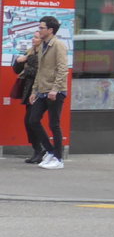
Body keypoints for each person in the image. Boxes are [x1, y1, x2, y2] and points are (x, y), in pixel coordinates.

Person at [29, 16, 69, 169]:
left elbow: (62, 69)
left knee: (54, 124)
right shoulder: (43, 45)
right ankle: (51, 151)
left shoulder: (58, 45)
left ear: (50, 30)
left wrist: (55, 89)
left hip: (55, 91)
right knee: (33, 120)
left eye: (41, 28)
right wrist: (34, 90)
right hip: (42, 90)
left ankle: (58, 159)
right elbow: (40, 70)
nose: (39, 30)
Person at [12, 29, 46, 163]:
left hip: (38, 91)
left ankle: (43, 149)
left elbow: (38, 71)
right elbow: (16, 70)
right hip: (28, 92)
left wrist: (26, 61)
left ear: (42, 40)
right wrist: (20, 61)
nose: (33, 39)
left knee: (31, 121)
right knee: (29, 121)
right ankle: (38, 150)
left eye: (36, 37)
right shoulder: (31, 52)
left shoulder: (43, 53)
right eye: (33, 37)